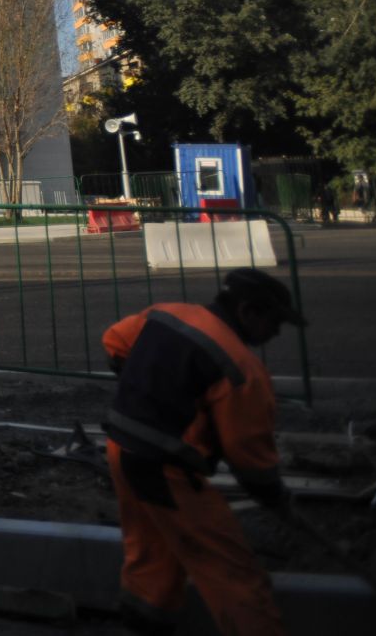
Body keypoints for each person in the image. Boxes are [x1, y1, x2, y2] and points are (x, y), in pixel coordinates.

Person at [101, 268, 304, 636]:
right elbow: (250, 460)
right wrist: (275, 497)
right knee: (231, 572)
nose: (275, 333)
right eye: (273, 322)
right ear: (248, 311)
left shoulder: (165, 314)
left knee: (151, 555)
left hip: (121, 450)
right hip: (169, 470)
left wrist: (147, 390)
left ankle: (144, 621)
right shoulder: (241, 369)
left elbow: (114, 342)